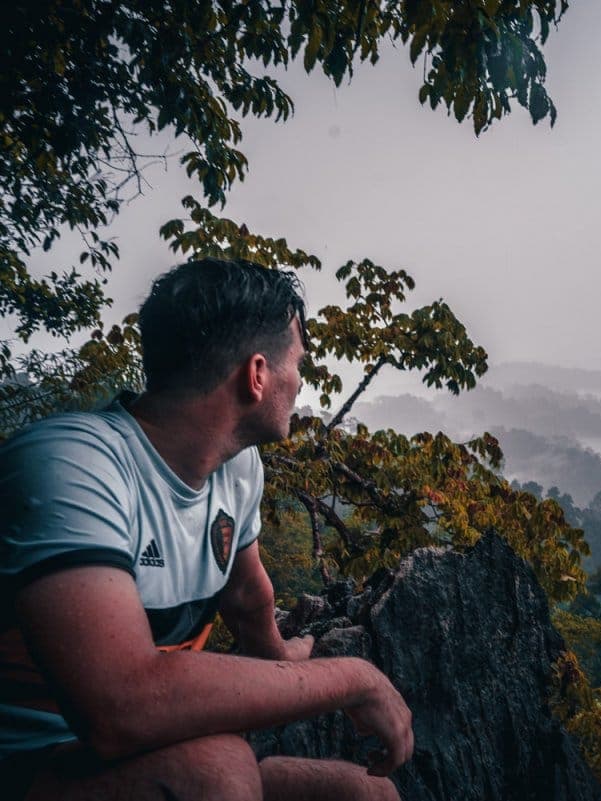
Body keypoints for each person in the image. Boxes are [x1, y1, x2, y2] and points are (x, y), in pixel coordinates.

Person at [0, 258, 411, 801]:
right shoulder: (72, 465)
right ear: (257, 374)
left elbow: (246, 596)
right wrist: (352, 679)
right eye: (298, 365)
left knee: (365, 795)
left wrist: (283, 655)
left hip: (140, 757)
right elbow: (119, 706)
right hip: (29, 760)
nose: (300, 382)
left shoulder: (238, 469)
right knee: (216, 770)